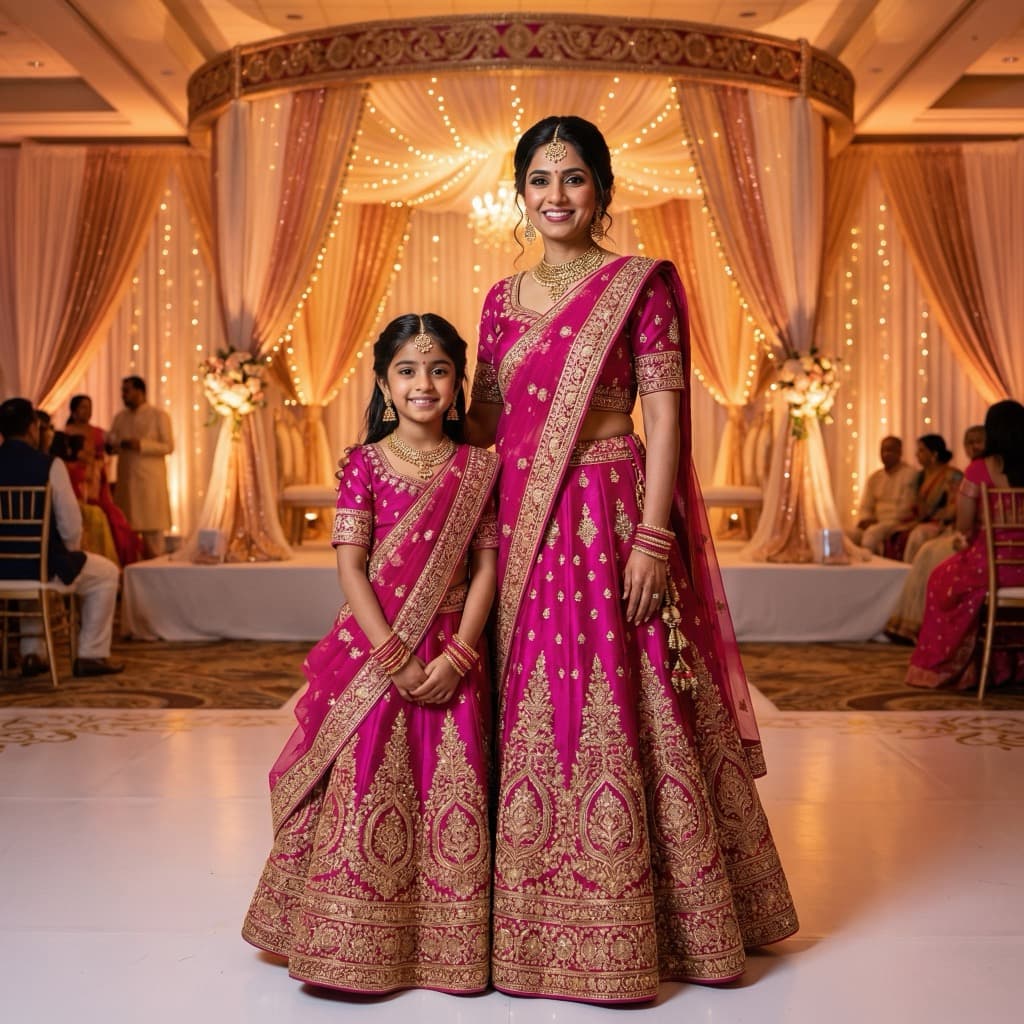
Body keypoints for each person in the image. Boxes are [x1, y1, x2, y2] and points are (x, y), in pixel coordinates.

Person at [465, 115, 797, 1004]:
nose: (556, 197)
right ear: (520, 194)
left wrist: (655, 535)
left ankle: (656, 916)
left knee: (627, 691)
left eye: (574, 179)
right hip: (522, 520)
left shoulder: (637, 285)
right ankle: (531, 921)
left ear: (602, 190)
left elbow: (665, 417)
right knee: (530, 697)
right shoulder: (500, 302)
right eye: (540, 180)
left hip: (610, 513)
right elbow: (485, 428)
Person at [242, 314, 500, 995]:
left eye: (439, 369)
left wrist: (460, 656)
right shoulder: (363, 461)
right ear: (386, 384)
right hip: (375, 656)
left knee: (449, 790)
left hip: (452, 652)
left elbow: (486, 567)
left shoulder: (479, 466)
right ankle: (349, 938)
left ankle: (447, 945)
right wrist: (395, 656)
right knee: (367, 787)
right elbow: (351, 568)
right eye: (408, 371)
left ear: (458, 383)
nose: (424, 383)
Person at [0, 397, 123, 677]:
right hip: (39, 567)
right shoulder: (49, 465)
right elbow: (70, 525)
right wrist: (69, 553)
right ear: (33, 427)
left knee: (33, 571)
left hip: (2, 568)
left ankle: (33, 653)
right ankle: (91, 654)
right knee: (105, 573)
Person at [907, 400, 1024, 689]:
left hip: (992, 567)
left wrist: (970, 538)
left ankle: (954, 667)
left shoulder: (978, 470)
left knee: (939, 580)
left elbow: (964, 525)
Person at [884, 425, 985, 644]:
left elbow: (960, 516)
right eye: (968, 442)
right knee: (920, 544)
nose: (973, 447)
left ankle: (923, 627)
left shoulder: (972, 472)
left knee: (926, 550)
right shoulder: (922, 477)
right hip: (973, 536)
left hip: (969, 537)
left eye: (979, 440)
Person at [64, 394, 143, 566]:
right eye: (84, 407)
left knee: (113, 517)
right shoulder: (64, 433)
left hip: (96, 485)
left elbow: (112, 449)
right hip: (74, 483)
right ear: (74, 410)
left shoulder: (98, 433)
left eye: (90, 406)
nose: (88, 411)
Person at [105, 377, 173, 559]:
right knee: (128, 538)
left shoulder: (158, 416)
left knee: (154, 540)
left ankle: (159, 583)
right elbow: (112, 441)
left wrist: (141, 445)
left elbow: (168, 446)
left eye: (127, 391)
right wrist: (113, 446)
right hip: (127, 482)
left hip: (150, 483)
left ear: (140, 391)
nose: (123, 395)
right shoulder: (120, 417)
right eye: (123, 391)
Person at [882, 434, 963, 562]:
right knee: (893, 532)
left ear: (934, 454)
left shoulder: (953, 475)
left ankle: (911, 574)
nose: (916, 454)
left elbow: (955, 508)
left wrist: (938, 516)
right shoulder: (920, 476)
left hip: (944, 525)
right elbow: (914, 506)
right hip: (922, 521)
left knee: (917, 535)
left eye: (921, 450)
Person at [850, 435, 918, 552]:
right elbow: (866, 506)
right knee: (849, 535)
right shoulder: (875, 477)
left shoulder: (910, 474)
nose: (886, 454)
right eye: (883, 450)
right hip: (875, 522)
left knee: (870, 536)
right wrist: (866, 519)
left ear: (899, 452)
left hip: (896, 523)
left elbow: (906, 508)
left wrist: (878, 521)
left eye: (890, 450)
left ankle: (872, 569)